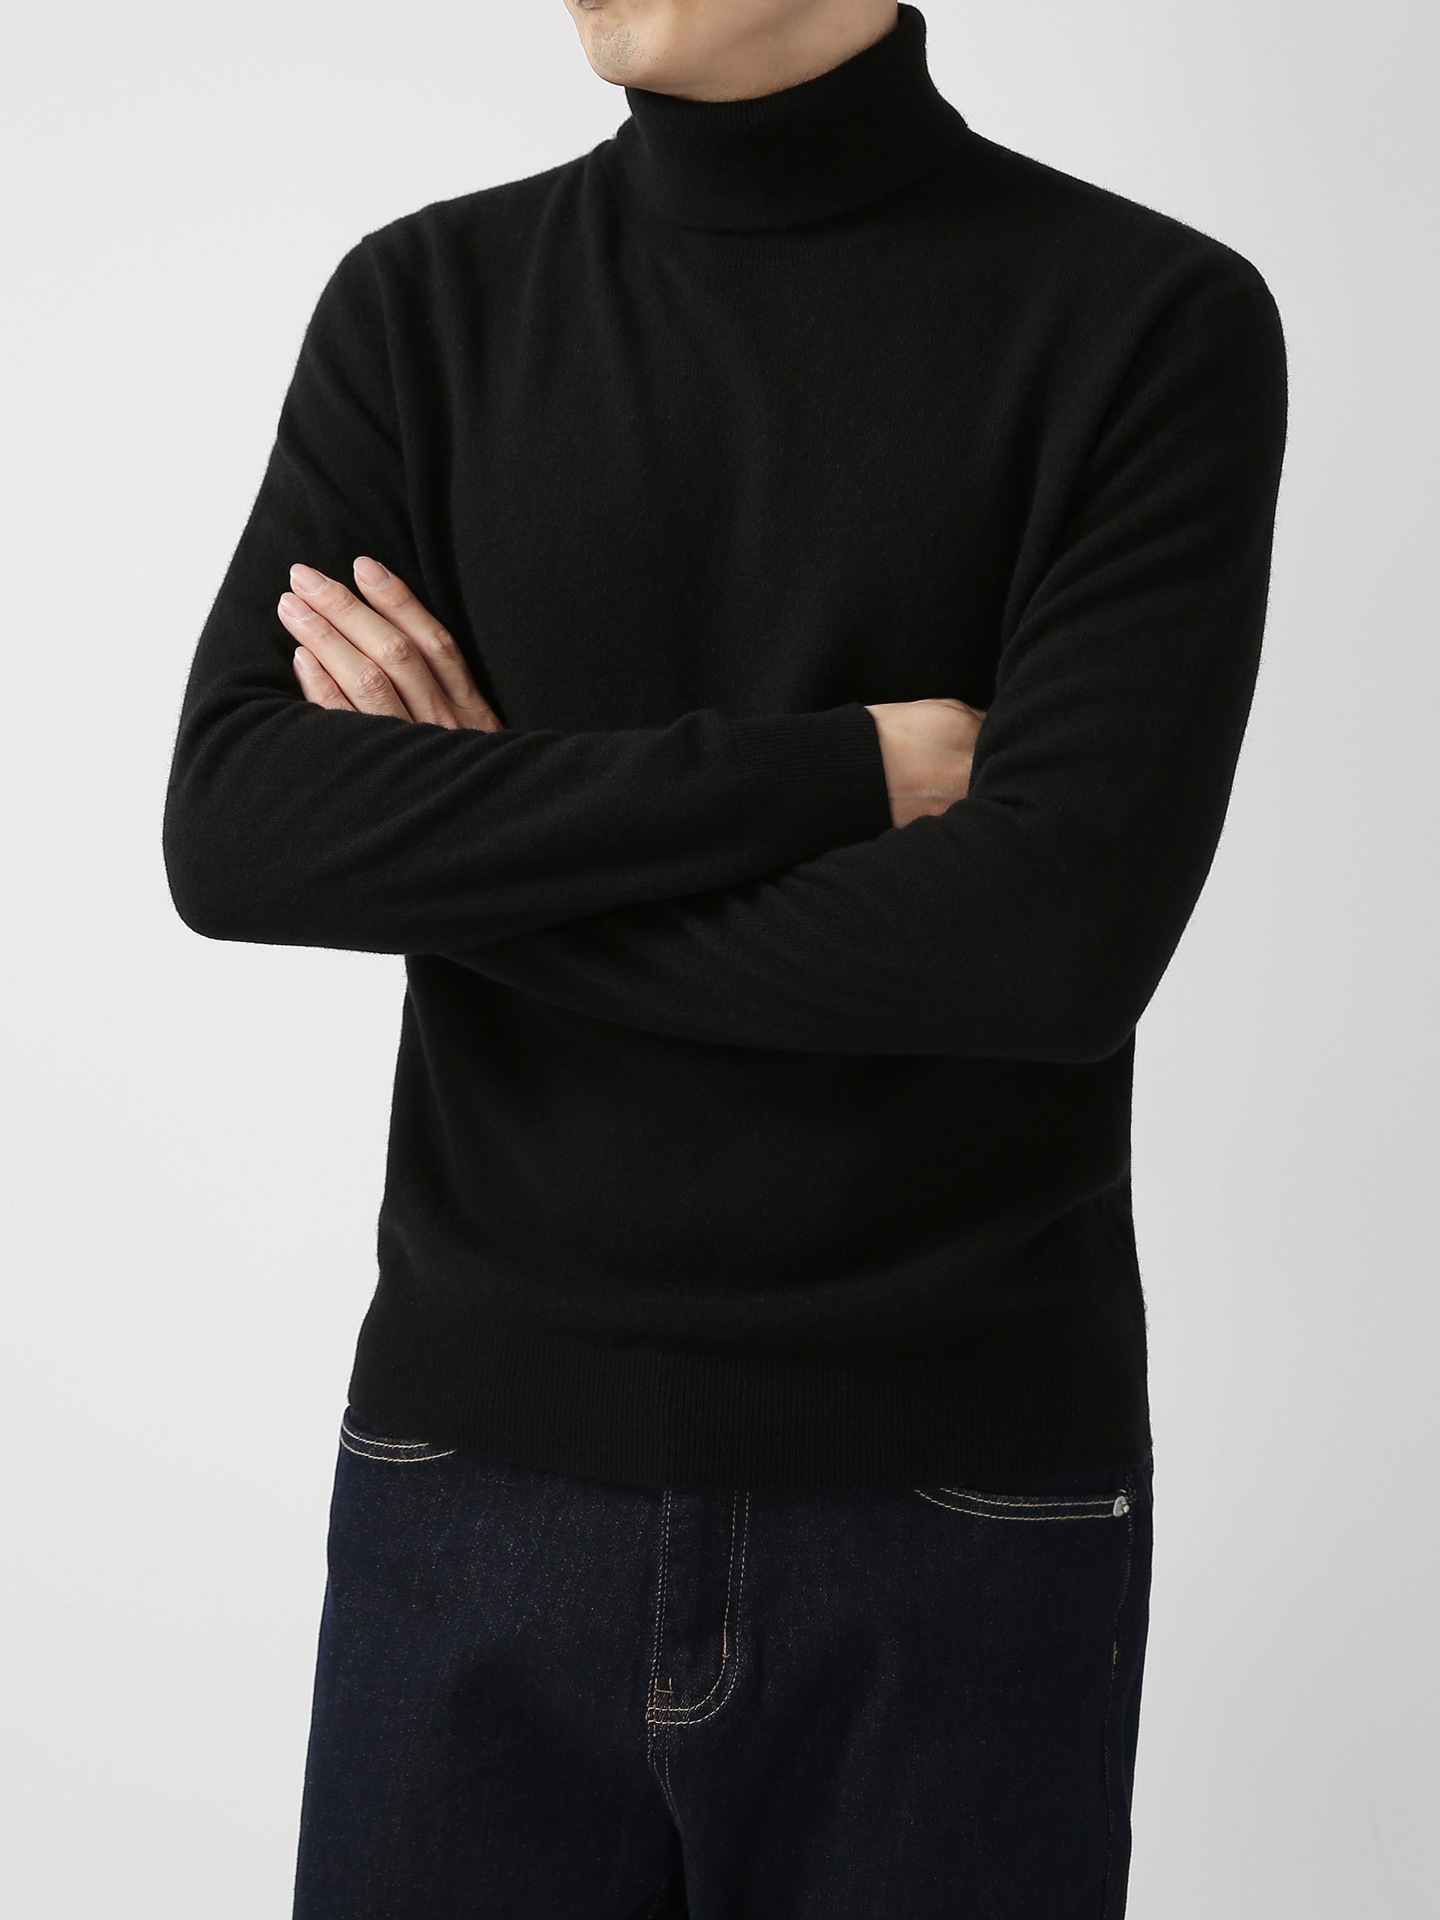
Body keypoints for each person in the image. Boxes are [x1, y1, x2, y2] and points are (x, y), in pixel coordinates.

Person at [162, 2, 1287, 1913]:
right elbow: (239, 829)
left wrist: (471, 852)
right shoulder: (424, 303)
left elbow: (1042, 952)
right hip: (472, 1461)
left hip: (955, 1500)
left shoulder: (1148, 319)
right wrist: (840, 769)